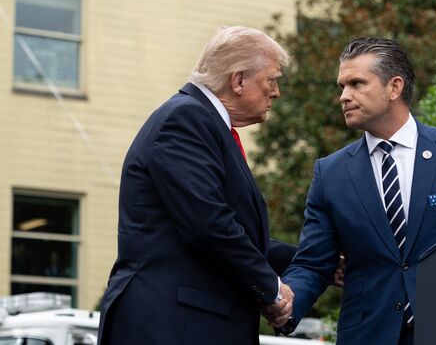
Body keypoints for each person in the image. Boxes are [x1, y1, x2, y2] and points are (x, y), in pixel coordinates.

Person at [282, 37, 436, 345]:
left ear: (394, 87)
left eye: (357, 84)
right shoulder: (330, 173)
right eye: (342, 86)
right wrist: (285, 303)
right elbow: (313, 263)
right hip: (368, 336)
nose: (344, 96)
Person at [98, 26, 296, 345]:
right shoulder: (185, 119)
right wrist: (273, 290)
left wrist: (314, 261)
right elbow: (209, 225)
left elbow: (231, 231)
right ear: (239, 80)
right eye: (272, 80)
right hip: (170, 326)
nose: (276, 92)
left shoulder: (202, 122)